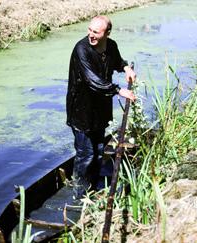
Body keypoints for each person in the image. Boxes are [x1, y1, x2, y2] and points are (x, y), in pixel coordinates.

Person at [66, 15, 136, 199]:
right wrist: (119, 90)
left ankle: (94, 186)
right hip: (82, 110)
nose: (91, 34)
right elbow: (92, 81)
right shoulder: (81, 50)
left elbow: (117, 62)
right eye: (89, 30)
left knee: (98, 151)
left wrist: (126, 68)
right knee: (86, 154)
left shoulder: (111, 46)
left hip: (100, 110)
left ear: (107, 33)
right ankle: (80, 195)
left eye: (96, 32)